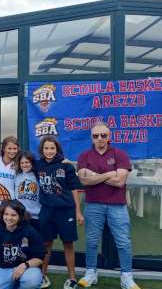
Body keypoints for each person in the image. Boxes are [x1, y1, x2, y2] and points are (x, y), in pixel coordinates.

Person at [77, 122, 141, 289]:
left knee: (123, 242)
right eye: (96, 136)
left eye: (103, 135)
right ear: (91, 137)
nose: (100, 139)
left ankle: (126, 277)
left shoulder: (120, 154)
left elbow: (120, 182)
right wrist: (108, 174)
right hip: (93, 205)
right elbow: (83, 180)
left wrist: (93, 176)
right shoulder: (84, 156)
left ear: (109, 136)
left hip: (117, 205)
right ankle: (91, 273)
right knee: (91, 241)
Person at [36, 136, 83, 289]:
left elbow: (74, 189)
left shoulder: (66, 166)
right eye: (46, 148)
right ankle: (42, 276)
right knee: (46, 244)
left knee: (68, 243)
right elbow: (21, 163)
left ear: (57, 150)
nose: (49, 151)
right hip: (47, 210)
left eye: (52, 148)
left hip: (65, 210)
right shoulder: (38, 165)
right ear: (42, 150)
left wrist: (78, 212)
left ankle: (72, 278)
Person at [0, 200, 44, 289]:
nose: (9, 218)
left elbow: (40, 258)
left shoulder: (30, 231)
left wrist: (25, 265)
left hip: (27, 268)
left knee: (32, 281)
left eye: (13, 215)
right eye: (6, 214)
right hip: (5, 269)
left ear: (20, 216)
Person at [0, 136, 19, 221]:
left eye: (15, 148)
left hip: (11, 204)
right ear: (3, 149)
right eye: (9, 148)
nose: (12, 151)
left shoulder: (19, 163)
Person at [14, 151, 40, 232]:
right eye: (22, 163)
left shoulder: (38, 175)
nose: (24, 165)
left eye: (27, 162)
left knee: (36, 241)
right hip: (22, 216)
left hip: (36, 217)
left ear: (32, 162)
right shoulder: (17, 175)